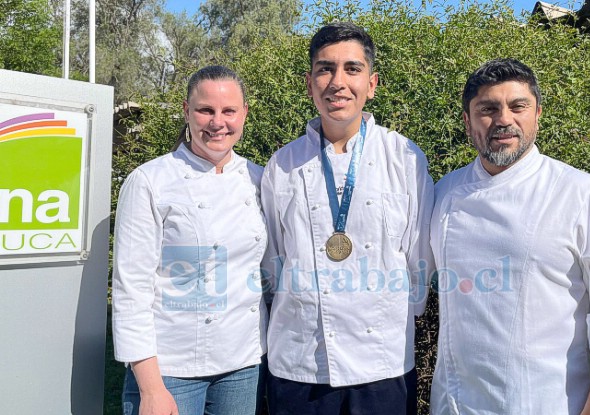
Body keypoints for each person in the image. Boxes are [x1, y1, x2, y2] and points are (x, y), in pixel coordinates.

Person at [429, 58, 590, 414]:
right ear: (468, 121)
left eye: (518, 106)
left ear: (537, 114)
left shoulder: (581, 194)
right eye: (487, 109)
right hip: (454, 404)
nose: (504, 119)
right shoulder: (444, 192)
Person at [260, 22, 435, 415]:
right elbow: (272, 259)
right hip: (299, 362)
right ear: (309, 83)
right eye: (325, 69)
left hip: (383, 359)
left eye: (352, 69)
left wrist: (395, 313)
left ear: (372, 83)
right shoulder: (282, 165)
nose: (337, 82)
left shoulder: (404, 157)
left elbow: (419, 257)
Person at [112, 65, 267, 415]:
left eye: (228, 111)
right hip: (170, 368)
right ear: (186, 111)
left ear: (244, 114)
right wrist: (151, 388)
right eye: (205, 110)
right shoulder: (149, 181)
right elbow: (131, 288)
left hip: (243, 363)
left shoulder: (259, 179)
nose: (217, 122)